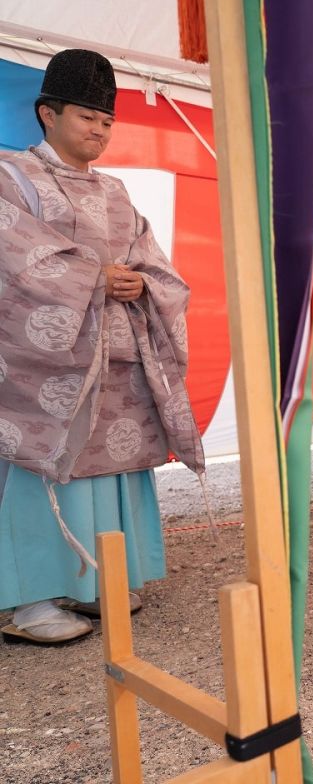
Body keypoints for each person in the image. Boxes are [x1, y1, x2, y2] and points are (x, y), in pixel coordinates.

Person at [0, 49, 204, 645]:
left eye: (108, 121)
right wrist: (93, 279)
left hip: (116, 353)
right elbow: (16, 259)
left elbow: (156, 267)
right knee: (46, 468)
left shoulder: (116, 191)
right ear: (47, 114)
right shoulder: (13, 178)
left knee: (112, 468)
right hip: (46, 365)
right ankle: (32, 600)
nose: (99, 130)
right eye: (87, 117)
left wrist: (141, 282)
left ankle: (99, 584)